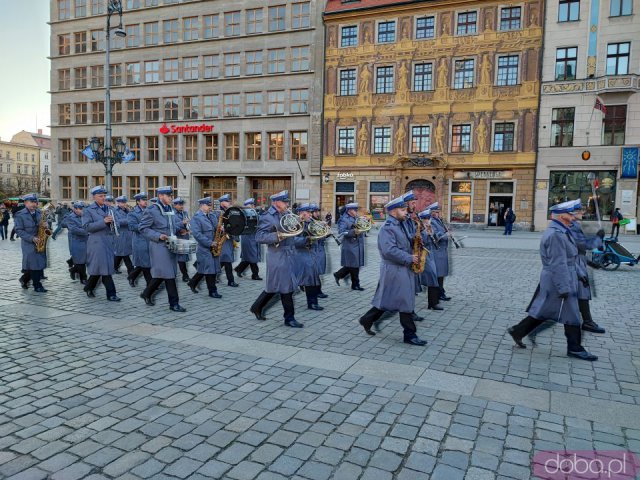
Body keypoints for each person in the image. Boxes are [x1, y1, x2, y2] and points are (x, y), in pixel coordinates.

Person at [507, 199, 598, 361]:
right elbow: (558, 264)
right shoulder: (556, 234)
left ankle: (518, 331)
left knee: (544, 311)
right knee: (572, 314)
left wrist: (580, 275)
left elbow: (572, 257)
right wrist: (564, 287)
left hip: (562, 277)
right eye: (571, 214)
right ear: (562, 215)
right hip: (559, 279)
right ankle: (575, 348)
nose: (574, 217)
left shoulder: (563, 230)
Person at [358, 196, 427, 346]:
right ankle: (410, 334)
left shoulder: (400, 224)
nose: (405, 212)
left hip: (402, 268)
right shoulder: (387, 228)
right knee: (405, 301)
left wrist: (417, 240)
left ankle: (367, 319)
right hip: (394, 268)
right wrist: (409, 257)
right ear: (393, 211)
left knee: (389, 300)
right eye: (402, 210)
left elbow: (407, 239)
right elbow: (389, 250)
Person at [250, 190, 303, 328]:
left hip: (289, 254)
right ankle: (289, 318)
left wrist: (299, 222)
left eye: (287, 202)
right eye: (284, 202)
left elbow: (293, 230)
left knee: (274, 287)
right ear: (275, 202)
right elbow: (259, 237)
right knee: (286, 288)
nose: (286, 204)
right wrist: (277, 236)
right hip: (277, 255)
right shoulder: (267, 216)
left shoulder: (286, 214)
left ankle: (257, 307)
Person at [139, 185, 186, 312]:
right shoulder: (152, 210)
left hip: (171, 245)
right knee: (169, 275)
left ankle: (146, 293)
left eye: (171, 195)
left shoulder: (169, 208)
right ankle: (174, 304)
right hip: (159, 246)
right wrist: (158, 235)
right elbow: (143, 228)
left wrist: (180, 229)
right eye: (169, 196)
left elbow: (171, 226)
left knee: (163, 274)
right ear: (160, 196)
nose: (171, 198)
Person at [570, 204, 606, 334]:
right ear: (572, 213)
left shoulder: (574, 225)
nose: (582, 212)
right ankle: (587, 322)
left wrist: (590, 262)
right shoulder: (572, 226)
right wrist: (599, 238)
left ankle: (587, 321)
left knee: (580, 294)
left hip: (576, 262)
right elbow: (583, 245)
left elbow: (578, 250)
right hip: (573, 265)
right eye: (579, 210)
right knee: (581, 293)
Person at [82, 186, 120, 301]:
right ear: (94, 197)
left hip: (108, 242)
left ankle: (89, 287)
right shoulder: (88, 210)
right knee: (105, 270)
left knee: (101, 269)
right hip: (96, 243)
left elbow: (116, 223)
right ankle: (111, 294)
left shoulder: (110, 209)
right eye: (100, 196)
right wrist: (103, 222)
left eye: (104, 196)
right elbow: (87, 227)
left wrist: (114, 225)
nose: (103, 198)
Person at [188, 197, 222, 298]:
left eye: (210, 205)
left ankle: (192, 283)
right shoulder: (196, 218)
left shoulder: (211, 216)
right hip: (205, 248)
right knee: (210, 270)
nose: (210, 208)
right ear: (202, 206)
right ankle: (212, 291)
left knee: (206, 269)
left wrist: (221, 229)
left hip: (214, 247)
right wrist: (210, 243)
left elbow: (217, 227)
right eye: (208, 205)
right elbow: (197, 235)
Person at [14, 193, 48, 292]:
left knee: (36, 264)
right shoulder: (19, 215)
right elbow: (19, 230)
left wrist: (46, 226)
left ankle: (24, 279)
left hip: (40, 241)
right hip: (28, 243)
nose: (34, 204)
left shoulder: (40, 213)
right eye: (31, 202)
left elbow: (45, 226)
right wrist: (32, 238)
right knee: (34, 264)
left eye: (35, 202)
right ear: (25, 203)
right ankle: (37, 286)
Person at [294, 204, 324, 311]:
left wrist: (323, 231)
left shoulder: (310, 223)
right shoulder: (296, 224)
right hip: (302, 254)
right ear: (301, 213)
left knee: (313, 278)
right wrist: (306, 240)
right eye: (308, 213)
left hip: (312, 254)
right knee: (310, 279)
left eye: (311, 213)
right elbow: (293, 241)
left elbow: (318, 237)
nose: (311, 215)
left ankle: (313, 301)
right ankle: (312, 303)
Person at [333, 203, 365, 290]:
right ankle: (355, 285)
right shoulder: (343, 220)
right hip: (350, 245)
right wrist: (353, 232)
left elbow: (361, 227)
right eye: (355, 210)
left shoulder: (356, 218)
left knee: (354, 264)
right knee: (354, 265)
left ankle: (338, 274)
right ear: (350, 211)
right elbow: (341, 231)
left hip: (358, 244)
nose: (356, 212)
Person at [418, 209, 443, 311]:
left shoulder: (430, 227)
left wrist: (432, 232)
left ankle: (433, 303)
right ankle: (433, 303)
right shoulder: (418, 228)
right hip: (423, 255)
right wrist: (425, 232)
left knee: (433, 278)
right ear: (422, 220)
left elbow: (436, 239)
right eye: (425, 219)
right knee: (432, 278)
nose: (428, 221)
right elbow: (419, 241)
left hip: (431, 255)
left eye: (429, 218)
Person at [127, 192, 152, 287]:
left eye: (146, 200)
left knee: (143, 263)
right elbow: (132, 227)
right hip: (140, 241)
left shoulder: (149, 211)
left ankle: (131, 276)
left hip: (149, 239)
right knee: (145, 264)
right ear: (138, 202)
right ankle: (150, 284)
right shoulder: (132, 213)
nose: (146, 202)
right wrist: (145, 226)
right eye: (143, 200)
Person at [234, 198, 262, 280]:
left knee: (249, 257)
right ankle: (255, 275)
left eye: (253, 204)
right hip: (247, 238)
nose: (253, 206)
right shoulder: (243, 214)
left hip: (254, 238)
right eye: (251, 204)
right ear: (246, 206)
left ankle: (239, 269)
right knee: (252, 257)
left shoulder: (253, 213)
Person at [428, 203, 451, 301]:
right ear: (432, 213)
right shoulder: (432, 222)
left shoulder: (438, 220)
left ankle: (441, 291)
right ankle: (439, 293)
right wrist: (446, 235)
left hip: (442, 251)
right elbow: (437, 236)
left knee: (441, 273)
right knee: (438, 273)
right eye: (436, 212)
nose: (438, 213)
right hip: (437, 251)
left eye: (438, 212)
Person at [216, 194, 239, 287]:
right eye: (227, 201)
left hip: (229, 238)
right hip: (222, 238)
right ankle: (231, 281)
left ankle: (213, 276)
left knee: (223, 260)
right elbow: (216, 225)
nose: (229, 202)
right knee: (227, 260)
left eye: (229, 201)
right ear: (222, 203)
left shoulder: (229, 211)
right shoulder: (218, 212)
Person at [66, 201, 88, 285]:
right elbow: (74, 229)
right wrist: (87, 231)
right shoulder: (70, 217)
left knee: (84, 260)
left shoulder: (86, 216)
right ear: (75, 209)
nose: (82, 211)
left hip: (86, 241)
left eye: (83, 209)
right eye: (80, 209)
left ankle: (73, 270)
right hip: (77, 241)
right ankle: (83, 278)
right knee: (80, 261)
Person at [113, 196, 134, 275]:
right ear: (118, 203)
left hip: (128, 234)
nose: (124, 204)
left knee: (120, 253)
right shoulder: (114, 211)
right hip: (120, 234)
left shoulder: (128, 210)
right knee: (124, 254)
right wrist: (128, 220)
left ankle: (114, 267)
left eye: (125, 202)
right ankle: (131, 271)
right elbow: (116, 222)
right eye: (122, 202)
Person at [173, 197, 192, 282]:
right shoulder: (172, 214)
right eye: (179, 204)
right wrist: (182, 223)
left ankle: (184, 274)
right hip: (177, 238)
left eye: (182, 204)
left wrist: (188, 229)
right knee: (181, 258)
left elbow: (188, 224)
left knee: (184, 258)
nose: (181, 206)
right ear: (174, 205)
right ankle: (185, 275)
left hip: (185, 237)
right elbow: (171, 226)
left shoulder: (185, 213)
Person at [311, 204, 328, 298]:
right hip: (314, 250)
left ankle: (317, 290)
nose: (318, 213)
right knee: (315, 272)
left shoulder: (317, 221)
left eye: (318, 211)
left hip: (319, 248)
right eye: (316, 212)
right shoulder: (311, 223)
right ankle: (317, 291)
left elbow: (321, 236)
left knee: (317, 271)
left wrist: (326, 233)